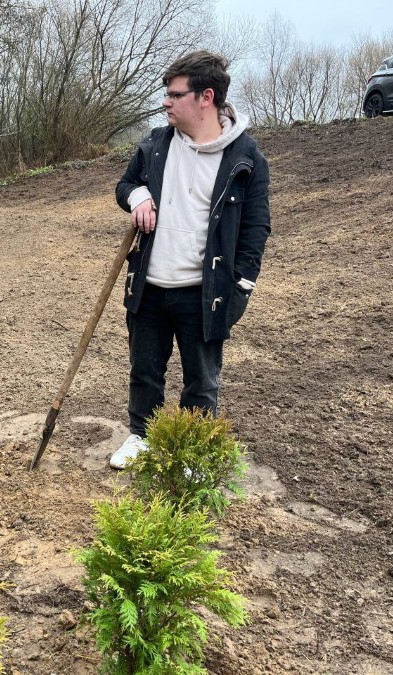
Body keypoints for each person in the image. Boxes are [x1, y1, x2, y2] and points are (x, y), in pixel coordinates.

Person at [109, 50, 271, 469]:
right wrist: (137, 196)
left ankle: (193, 451)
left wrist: (242, 285)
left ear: (206, 98)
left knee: (201, 380)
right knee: (144, 371)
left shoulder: (246, 157)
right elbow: (125, 184)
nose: (166, 102)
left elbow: (256, 228)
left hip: (205, 292)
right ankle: (141, 436)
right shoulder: (156, 145)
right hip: (149, 286)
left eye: (175, 94)